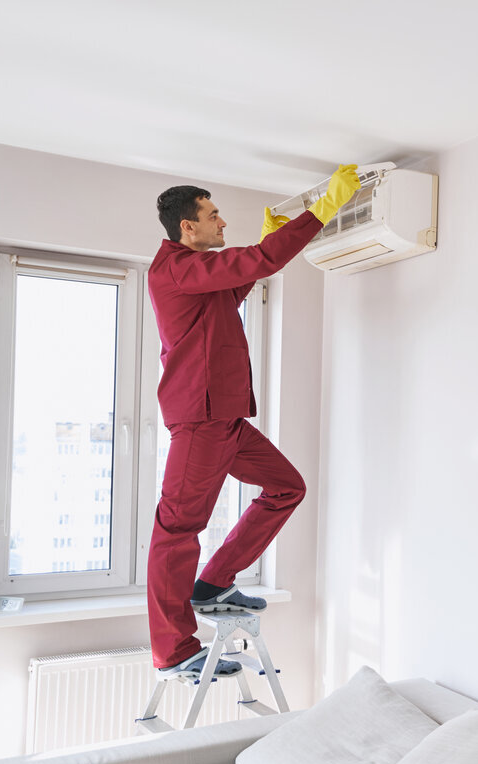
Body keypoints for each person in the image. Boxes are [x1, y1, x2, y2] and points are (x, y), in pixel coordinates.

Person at [147, 165, 360, 677]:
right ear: (187, 227)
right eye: (214, 215)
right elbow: (256, 261)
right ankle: (173, 652)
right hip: (200, 420)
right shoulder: (174, 269)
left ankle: (215, 582)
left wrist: (265, 249)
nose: (224, 223)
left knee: (287, 487)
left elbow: (240, 283)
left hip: (226, 419)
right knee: (177, 531)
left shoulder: (199, 274)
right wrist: (320, 212)